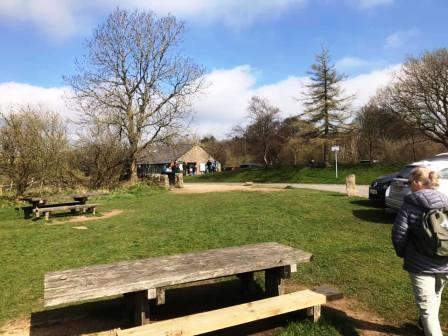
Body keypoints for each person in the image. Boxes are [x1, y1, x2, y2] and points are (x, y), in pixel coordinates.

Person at [392, 167, 448, 336]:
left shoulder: (410, 204)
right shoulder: (445, 201)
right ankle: (426, 328)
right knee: (435, 296)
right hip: (445, 261)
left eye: (410, 182)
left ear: (417, 182)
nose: (409, 186)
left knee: (426, 309)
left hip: (420, 263)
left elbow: (399, 234)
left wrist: (404, 253)